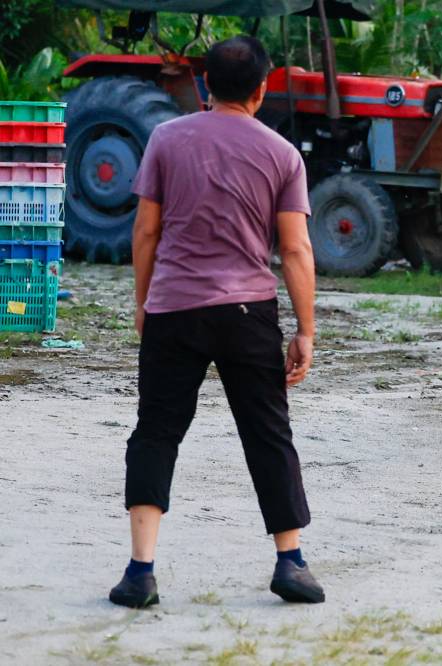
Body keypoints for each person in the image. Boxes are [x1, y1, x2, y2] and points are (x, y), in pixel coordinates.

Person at [108, 35, 324, 607]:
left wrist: (143, 300)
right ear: (261, 89)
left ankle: (140, 571)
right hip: (249, 310)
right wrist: (306, 328)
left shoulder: (165, 138)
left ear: (204, 84)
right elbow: (296, 248)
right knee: (268, 433)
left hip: (174, 308)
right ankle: (291, 563)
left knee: (156, 430)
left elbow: (146, 231)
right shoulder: (281, 153)